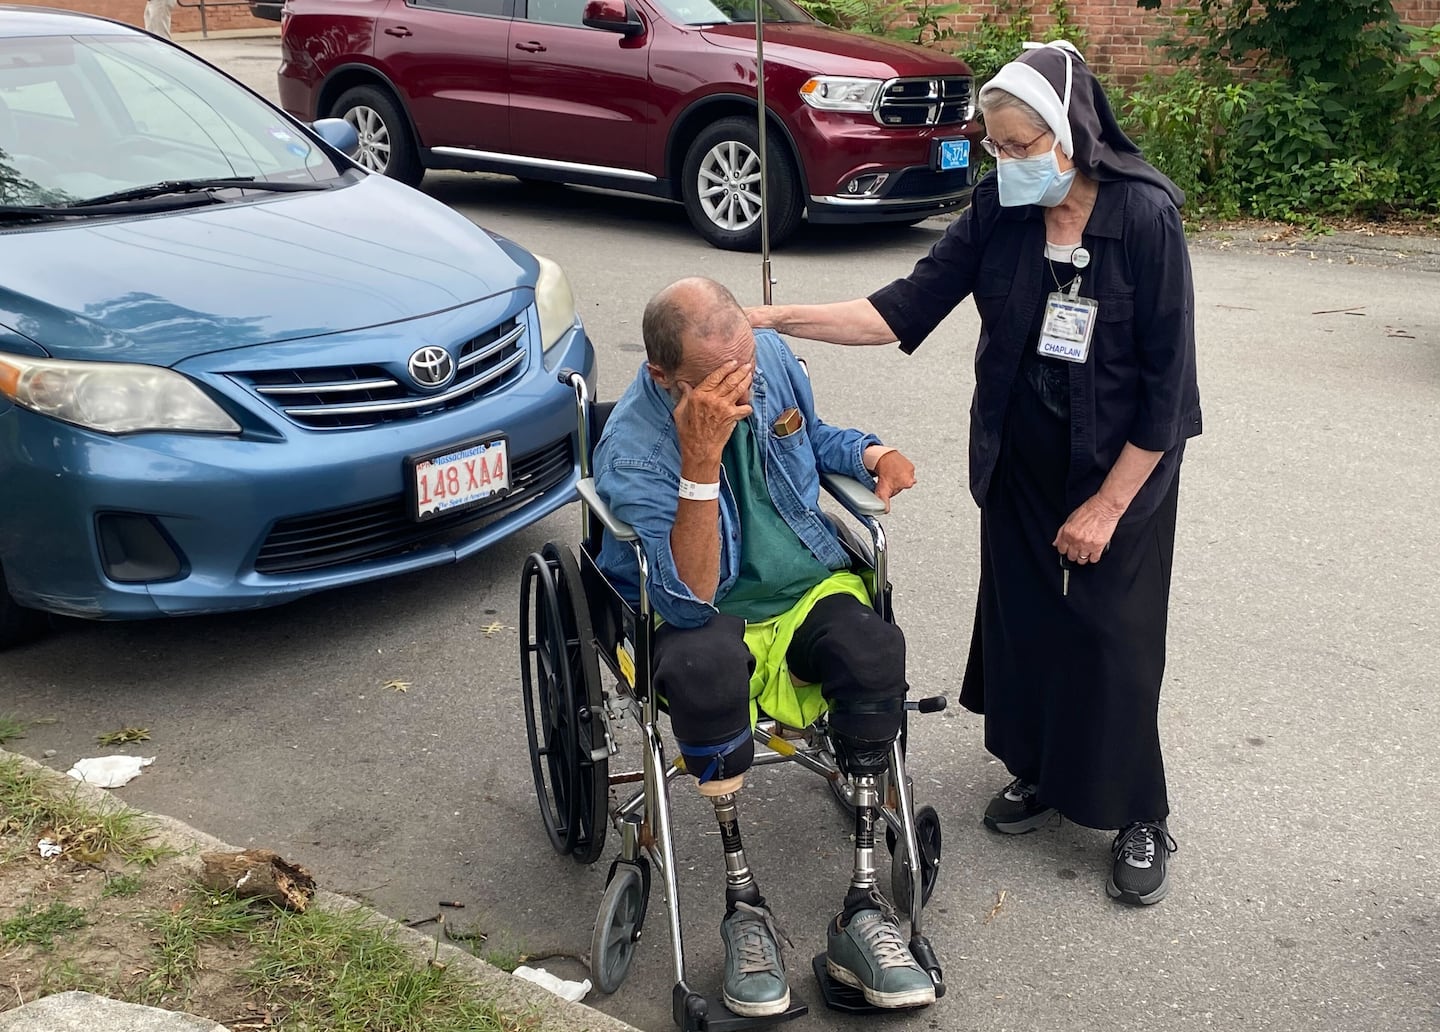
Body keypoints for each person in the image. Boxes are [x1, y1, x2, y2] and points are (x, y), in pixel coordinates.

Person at [746, 41, 1201, 906]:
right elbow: (900, 310)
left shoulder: (1143, 220)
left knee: (1113, 637)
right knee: (1024, 619)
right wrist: (775, 316)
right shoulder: (1001, 209)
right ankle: (1039, 771)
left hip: (1123, 469)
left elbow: (1169, 391)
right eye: (997, 145)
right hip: (1021, 455)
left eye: (1025, 144)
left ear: (1071, 133)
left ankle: (1140, 811)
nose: (1009, 161)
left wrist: (1107, 506)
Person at [593, 277, 932, 1017]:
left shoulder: (767, 355)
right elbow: (690, 596)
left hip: (802, 585)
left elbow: (807, 438)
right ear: (664, 375)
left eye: (747, 362)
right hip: (703, 609)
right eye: (721, 378)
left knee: (874, 650)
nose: (745, 382)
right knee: (707, 666)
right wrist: (700, 460)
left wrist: (872, 450)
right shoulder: (631, 447)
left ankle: (864, 907)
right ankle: (744, 909)